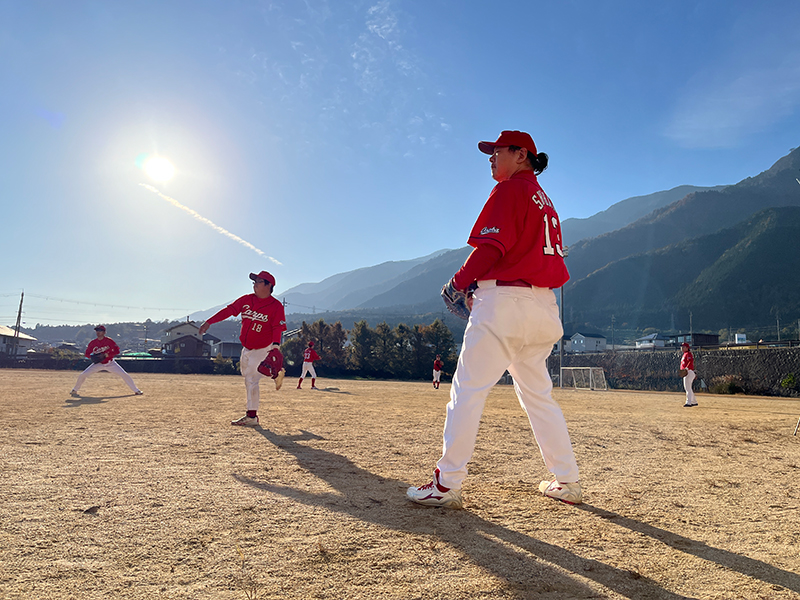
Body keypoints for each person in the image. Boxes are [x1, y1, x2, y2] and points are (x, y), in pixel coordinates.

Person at [407, 130, 581, 509]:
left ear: (521, 155)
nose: (490, 157)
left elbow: (491, 247)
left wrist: (458, 283)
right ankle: (566, 479)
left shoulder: (510, 190)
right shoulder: (544, 200)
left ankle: (446, 483)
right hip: (543, 307)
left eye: (497, 151)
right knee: (539, 396)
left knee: (466, 392)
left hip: (505, 304)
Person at [199, 271, 287, 426]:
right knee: (247, 376)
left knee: (251, 380)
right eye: (254, 282)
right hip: (246, 348)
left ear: (268, 285)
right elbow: (229, 310)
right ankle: (276, 372)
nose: (254, 284)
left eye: (258, 281)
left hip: (263, 348)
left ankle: (252, 416)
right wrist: (209, 322)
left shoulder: (276, 306)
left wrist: (275, 346)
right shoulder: (247, 300)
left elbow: (277, 328)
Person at [70, 325, 143, 396]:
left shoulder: (109, 341)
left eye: (100, 331)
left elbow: (117, 351)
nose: (98, 332)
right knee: (83, 375)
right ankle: (75, 390)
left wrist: (108, 355)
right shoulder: (93, 343)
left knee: (124, 374)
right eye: (97, 331)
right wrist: (93, 356)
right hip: (98, 364)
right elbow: (87, 354)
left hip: (110, 363)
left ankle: (136, 390)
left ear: (104, 332)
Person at [680, 342, 698, 407]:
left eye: (683, 346)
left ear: (687, 348)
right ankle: (694, 401)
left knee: (687, 388)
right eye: (682, 346)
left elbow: (691, 361)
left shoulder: (688, 354)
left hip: (689, 372)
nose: (682, 348)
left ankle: (689, 402)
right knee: (688, 388)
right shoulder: (685, 354)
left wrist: (686, 369)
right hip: (687, 372)